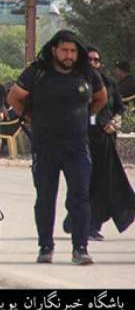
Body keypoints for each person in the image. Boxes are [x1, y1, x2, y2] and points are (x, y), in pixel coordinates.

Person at [7, 30, 109, 265]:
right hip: (46, 146)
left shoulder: (87, 73)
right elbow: (14, 97)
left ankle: (80, 248)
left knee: (80, 197)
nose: (69, 55)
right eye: (64, 50)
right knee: (45, 198)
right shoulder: (38, 72)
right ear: (54, 50)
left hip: (77, 147)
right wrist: (29, 116)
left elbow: (101, 98)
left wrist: (85, 116)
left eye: (73, 51)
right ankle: (45, 247)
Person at [62, 47, 135, 241]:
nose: (93, 63)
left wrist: (115, 122)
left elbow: (119, 108)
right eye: (89, 60)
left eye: (96, 60)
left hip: (103, 139)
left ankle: (92, 224)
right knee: (83, 182)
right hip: (80, 138)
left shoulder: (109, 84)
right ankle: (78, 220)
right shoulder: (72, 82)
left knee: (104, 183)